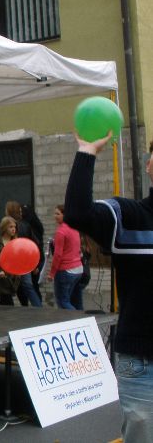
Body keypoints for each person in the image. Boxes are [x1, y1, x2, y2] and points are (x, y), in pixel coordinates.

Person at [64, 133, 153, 442]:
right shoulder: (129, 217)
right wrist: (87, 151)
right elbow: (77, 213)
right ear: (149, 165)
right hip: (143, 363)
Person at [5, 200, 42, 307]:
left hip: (18, 260)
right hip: (26, 259)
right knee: (26, 286)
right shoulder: (26, 225)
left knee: (23, 286)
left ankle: (36, 307)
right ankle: (36, 307)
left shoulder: (11, 226)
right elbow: (36, 243)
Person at [47, 204, 83, 310]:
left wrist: (52, 273)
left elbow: (58, 255)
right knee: (76, 301)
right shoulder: (74, 228)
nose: (55, 216)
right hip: (78, 269)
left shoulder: (61, 232)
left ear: (65, 215)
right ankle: (82, 318)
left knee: (63, 302)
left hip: (66, 270)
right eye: (55, 213)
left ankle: (75, 319)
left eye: (58, 214)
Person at [22, 204, 45, 300]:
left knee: (32, 286)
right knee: (35, 286)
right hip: (39, 258)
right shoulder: (37, 225)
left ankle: (37, 305)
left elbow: (34, 246)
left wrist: (35, 265)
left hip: (34, 259)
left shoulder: (27, 227)